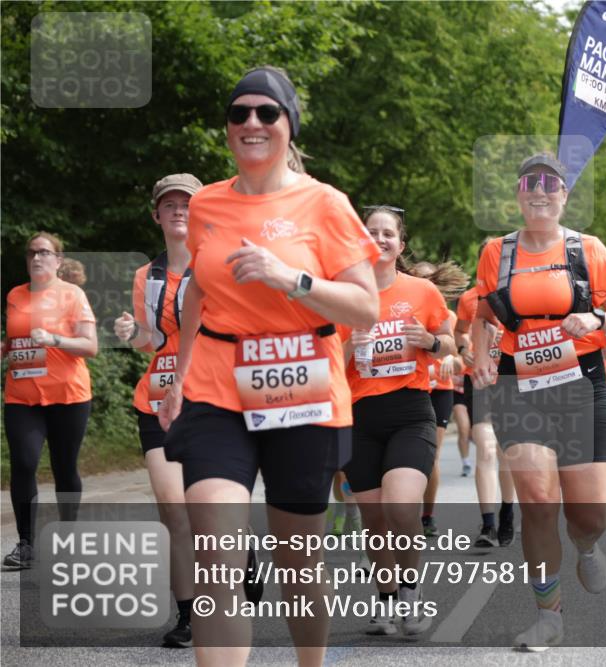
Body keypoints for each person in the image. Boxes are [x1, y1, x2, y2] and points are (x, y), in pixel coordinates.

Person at [157, 67, 380, 666]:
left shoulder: (324, 203)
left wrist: (293, 280)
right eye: (239, 113)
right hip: (216, 387)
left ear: (288, 124)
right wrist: (176, 378)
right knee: (215, 551)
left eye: (266, 113)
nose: (251, 123)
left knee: (299, 560)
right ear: (228, 128)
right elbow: (199, 292)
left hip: (302, 381)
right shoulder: (205, 204)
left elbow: (365, 305)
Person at [471, 153, 606, 651]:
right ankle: (549, 615)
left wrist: (598, 321)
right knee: (539, 503)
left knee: (587, 515)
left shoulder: (589, 250)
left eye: (550, 184)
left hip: (580, 387)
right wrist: (480, 357)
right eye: (529, 183)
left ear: (564, 196)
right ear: (519, 194)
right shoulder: (496, 253)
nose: (539, 191)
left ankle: (587, 545)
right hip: (518, 389)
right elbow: (482, 313)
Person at [336, 205, 456, 636]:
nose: (380, 238)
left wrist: (429, 341)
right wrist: (351, 343)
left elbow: (450, 348)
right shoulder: (342, 296)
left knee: (401, 505)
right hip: (358, 416)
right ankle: (385, 598)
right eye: (372, 231)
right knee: (374, 519)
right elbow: (327, 362)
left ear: (400, 245)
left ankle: (411, 591)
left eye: (389, 233)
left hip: (410, 412)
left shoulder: (421, 292)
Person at [112, 174, 202, 647]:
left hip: (210, 399)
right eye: (169, 205)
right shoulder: (146, 276)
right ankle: (188, 615)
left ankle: (241, 552)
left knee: (209, 508)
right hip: (158, 400)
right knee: (173, 508)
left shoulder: (217, 266)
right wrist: (134, 333)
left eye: (186, 203)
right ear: (157, 215)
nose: (179, 211)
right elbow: (152, 341)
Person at [3, 232, 98, 570]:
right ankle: (26, 544)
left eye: (44, 252)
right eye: (31, 253)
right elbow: (16, 341)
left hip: (67, 396)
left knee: (63, 467)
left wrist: (55, 338)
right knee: (25, 463)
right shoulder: (14, 295)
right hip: (21, 395)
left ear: (58, 261)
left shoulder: (73, 295)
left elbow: (90, 346)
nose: (37, 258)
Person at [454, 254, 517, 548]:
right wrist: (463, 348)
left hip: (508, 381)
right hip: (478, 382)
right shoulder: (468, 299)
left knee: (506, 453)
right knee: (487, 450)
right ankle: (488, 524)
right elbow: (459, 332)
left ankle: (507, 510)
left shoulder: (519, 294)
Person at [409, 260, 467, 538]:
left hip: (439, 392)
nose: (425, 284)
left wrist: (451, 363)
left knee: (430, 457)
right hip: (410, 391)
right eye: (419, 279)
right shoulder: (402, 312)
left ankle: (427, 515)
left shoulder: (449, 318)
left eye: (429, 279)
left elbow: (461, 360)